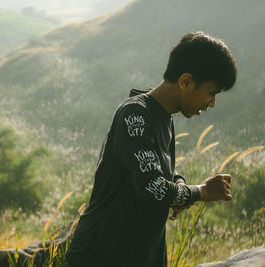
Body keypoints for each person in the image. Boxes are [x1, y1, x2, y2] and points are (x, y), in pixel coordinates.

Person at [65, 32, 237, 267]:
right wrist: (201, 191)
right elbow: (153, 187)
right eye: (211, 93)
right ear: (186, 82)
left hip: (140, 253)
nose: (212, 103)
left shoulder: (163, 118)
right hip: (102, 252)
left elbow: (161, 172)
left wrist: (178, 186)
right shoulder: (135, 114)